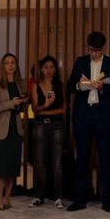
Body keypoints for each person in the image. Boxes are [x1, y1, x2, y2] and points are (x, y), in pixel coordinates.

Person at [66, 31, 110, 213]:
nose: (93, 54)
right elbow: (70, 86)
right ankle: (80, 199)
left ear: (102, 49)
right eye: (91, 50)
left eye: (96, 51)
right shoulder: (81, 62)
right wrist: (80, 85)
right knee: (82, 159)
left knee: (105, 159)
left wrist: (102, 87)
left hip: (103, 116)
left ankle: (106, 200)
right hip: (83, 116)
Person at [0, 53, 26, 210]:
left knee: (12, 167)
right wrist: (11, 103)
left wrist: (23, 103)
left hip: (16, 129)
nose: (10, 65)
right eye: (7, 63)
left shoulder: (19, 84)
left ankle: (8, 198)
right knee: (2, 167)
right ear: (3, 66)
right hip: (1, 129)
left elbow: (21, 108)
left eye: (13, 63)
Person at [28, 55, 65, 208]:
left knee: (57, 164)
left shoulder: (60, 86)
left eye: (51, 67)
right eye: (45, 67)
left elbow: (63, 109)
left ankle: (58, 196)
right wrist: (47, 105)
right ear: (41, 70)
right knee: (40, 163)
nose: (48, 70)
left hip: (57, 126)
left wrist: (44, 112)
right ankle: (39, 195)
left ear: (55, 70)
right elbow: (35, 108)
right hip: (40, 126)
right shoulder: (35, 85)